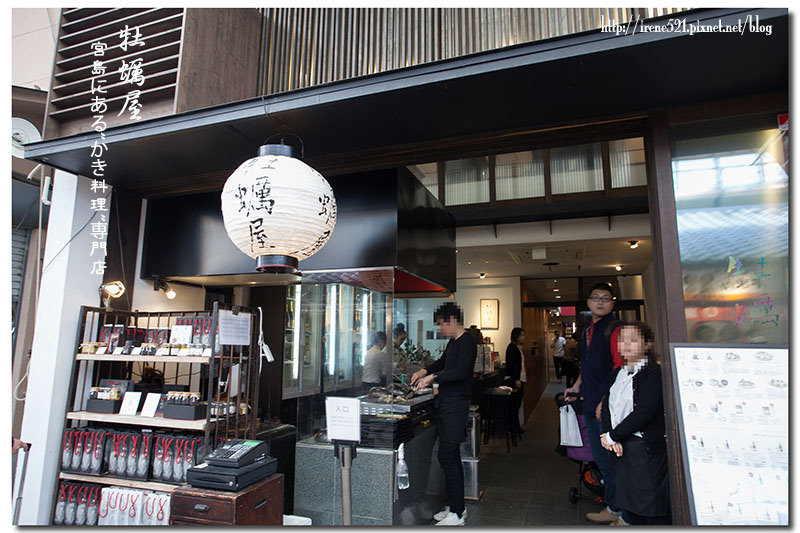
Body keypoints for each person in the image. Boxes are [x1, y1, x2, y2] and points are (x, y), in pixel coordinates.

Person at [564, 282, 625, 525]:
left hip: (607, 407)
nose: (600, 302)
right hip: (590, 402)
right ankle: (613, 507)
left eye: (605, 298)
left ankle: (618, 510)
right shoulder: (587, 330)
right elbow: (587, 365)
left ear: (612, 303)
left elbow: (620, 368)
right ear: (589, 302)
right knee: (600, 459)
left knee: (612, 461)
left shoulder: (615, 328)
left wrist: (605, 400)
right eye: (596, 298)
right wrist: (577, 385)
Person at [411, 302, 476, 526]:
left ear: (451, 320)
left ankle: (457, 515)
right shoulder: (454, 342)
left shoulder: (467, 341)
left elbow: (459, 372)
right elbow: (442, 363)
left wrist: (433, 378)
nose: (440, 329)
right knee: (451, 456)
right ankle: (458, 507)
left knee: (447, 456)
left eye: (441, 324)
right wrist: (424, 370)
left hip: (456, 406)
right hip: (446, 404)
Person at [600, 322, 670, 525]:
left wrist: (614, 436)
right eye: (622, 340)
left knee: (652, 509)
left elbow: (644, 413)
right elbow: (607, 406)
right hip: (621, 450)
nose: (626, 344)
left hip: (645, 450)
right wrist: (608, 435)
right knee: (631, 507)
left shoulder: (652, 373)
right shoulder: (618, 373)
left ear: (647, 344)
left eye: (633, 340)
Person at [504, 327, 526, 435]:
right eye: (522, 335)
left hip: (520, 378)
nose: (523, 337)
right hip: (516, 380)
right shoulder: (512, 348)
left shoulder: (518, 347)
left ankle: (515, 426)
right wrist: (517, 379)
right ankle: (513, 427)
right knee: (514, 404)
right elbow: (513, 365)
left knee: (516, 404)